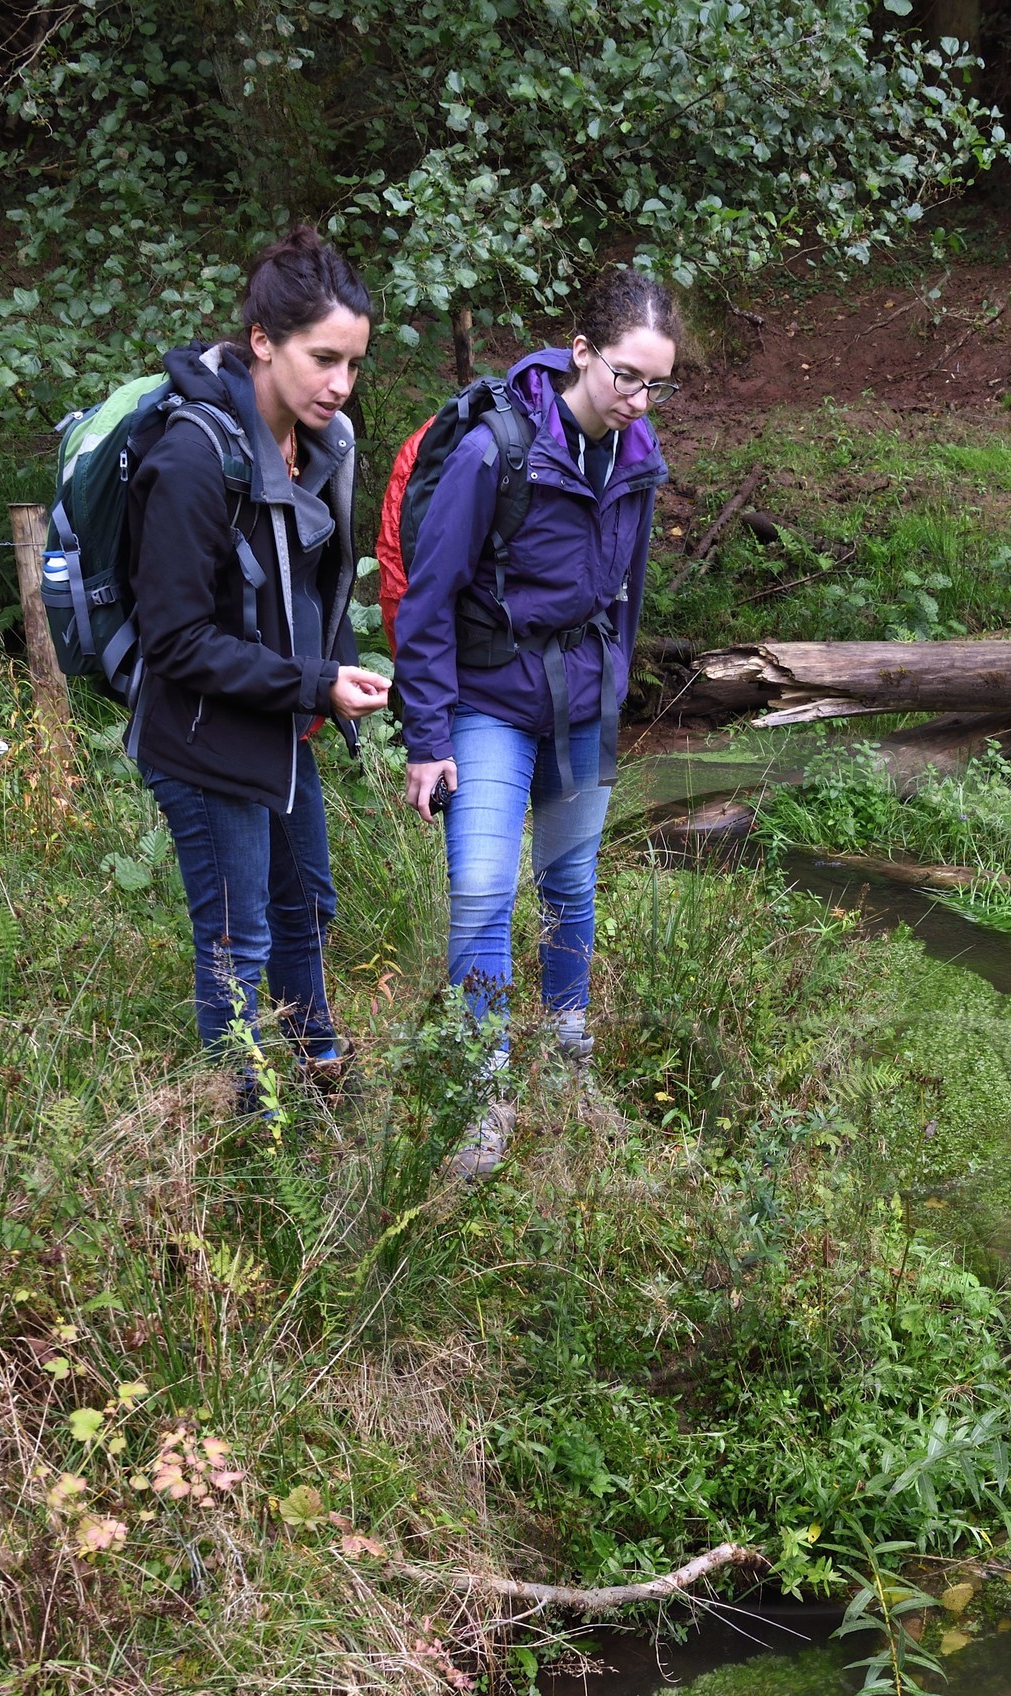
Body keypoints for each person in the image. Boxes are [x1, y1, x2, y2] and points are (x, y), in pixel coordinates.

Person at [394, 266, 681, 1175]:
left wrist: (617, 689)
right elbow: (427, 600)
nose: (640, 399)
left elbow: (628, 597)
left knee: (571, 885)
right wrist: (428, 739)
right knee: (482, 888)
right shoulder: (497, 452)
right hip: (490, 702)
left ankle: (567, 1062)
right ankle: (482, 1095)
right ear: (583, 352)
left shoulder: (637, 458)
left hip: (583, 707)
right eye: (626, 377)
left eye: (658, 383)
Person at [127, 225, 390, 1098]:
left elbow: (316, 590)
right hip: (203, 742)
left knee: (307, 908)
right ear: (263, 342)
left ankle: (317, 1067)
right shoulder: (195, 460)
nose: (340, 384)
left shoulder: (321, 447)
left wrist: (331, 677)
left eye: (353, 363)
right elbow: (174, 642)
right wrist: (315, 682)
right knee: (237, 945)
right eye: (323, 359)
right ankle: (250, 1142)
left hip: (280, 725)